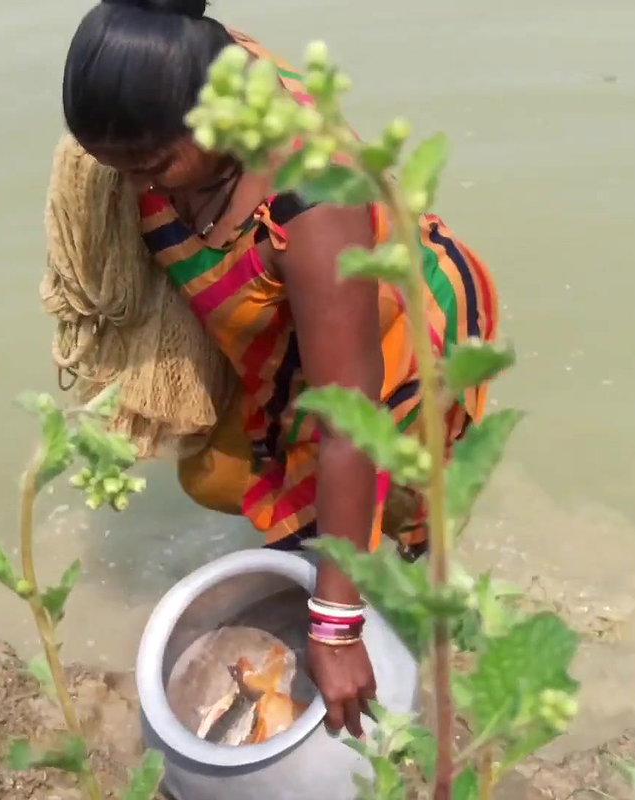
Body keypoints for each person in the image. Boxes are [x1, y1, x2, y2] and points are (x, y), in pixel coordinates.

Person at [47, 0, 498, 739]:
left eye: (151, 168)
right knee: (227, 476)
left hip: (391, 336)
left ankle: (406, 638)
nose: (131, 190)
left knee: (366, 512)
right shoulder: (186, 54)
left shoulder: (313, 207)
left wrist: (337, 627)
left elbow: (351, 423)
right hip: (289, 331)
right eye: (112, 167)